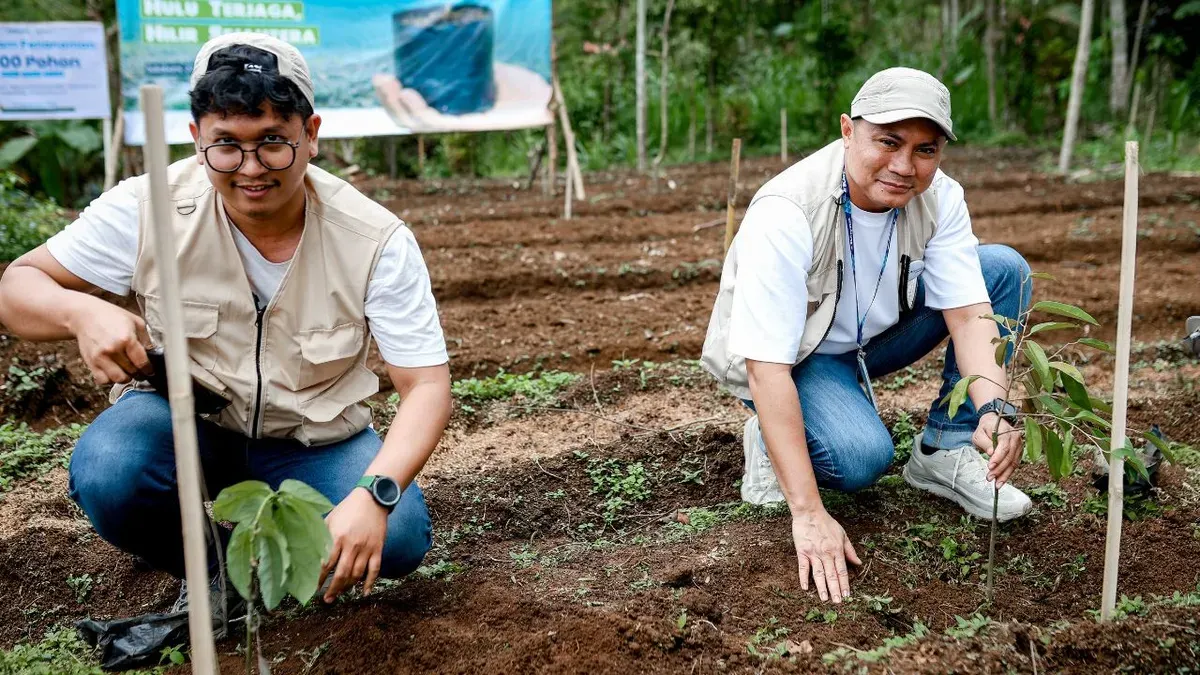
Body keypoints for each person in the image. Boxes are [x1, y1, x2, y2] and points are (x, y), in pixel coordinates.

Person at [0, 33, 452, 620]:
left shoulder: (374, 239)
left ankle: (276, 559)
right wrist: (80, 310)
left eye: (272, 143)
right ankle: (215, 570)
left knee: (398, 535)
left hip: (310, 442)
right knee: (112, 469)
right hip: (186, 422)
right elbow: (16, 286)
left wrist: (373, 495)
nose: (250, 169)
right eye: (226, 146)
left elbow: (427, 387)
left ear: (310, 134)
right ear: (196, 139)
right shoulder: (147, 208)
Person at [701, 67, 1033, 605]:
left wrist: (997, 410)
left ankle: (947, 449)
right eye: (888, 142)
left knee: (1000, 270)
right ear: (848, 131)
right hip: (794, 357)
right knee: (860, 461)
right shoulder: (788, 213)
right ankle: (771, 435)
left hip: (867, 343)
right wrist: (808, 515)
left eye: (925, 150)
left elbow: (971, 315)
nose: (905, 167)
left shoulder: (941, 198)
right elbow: (766, 366)